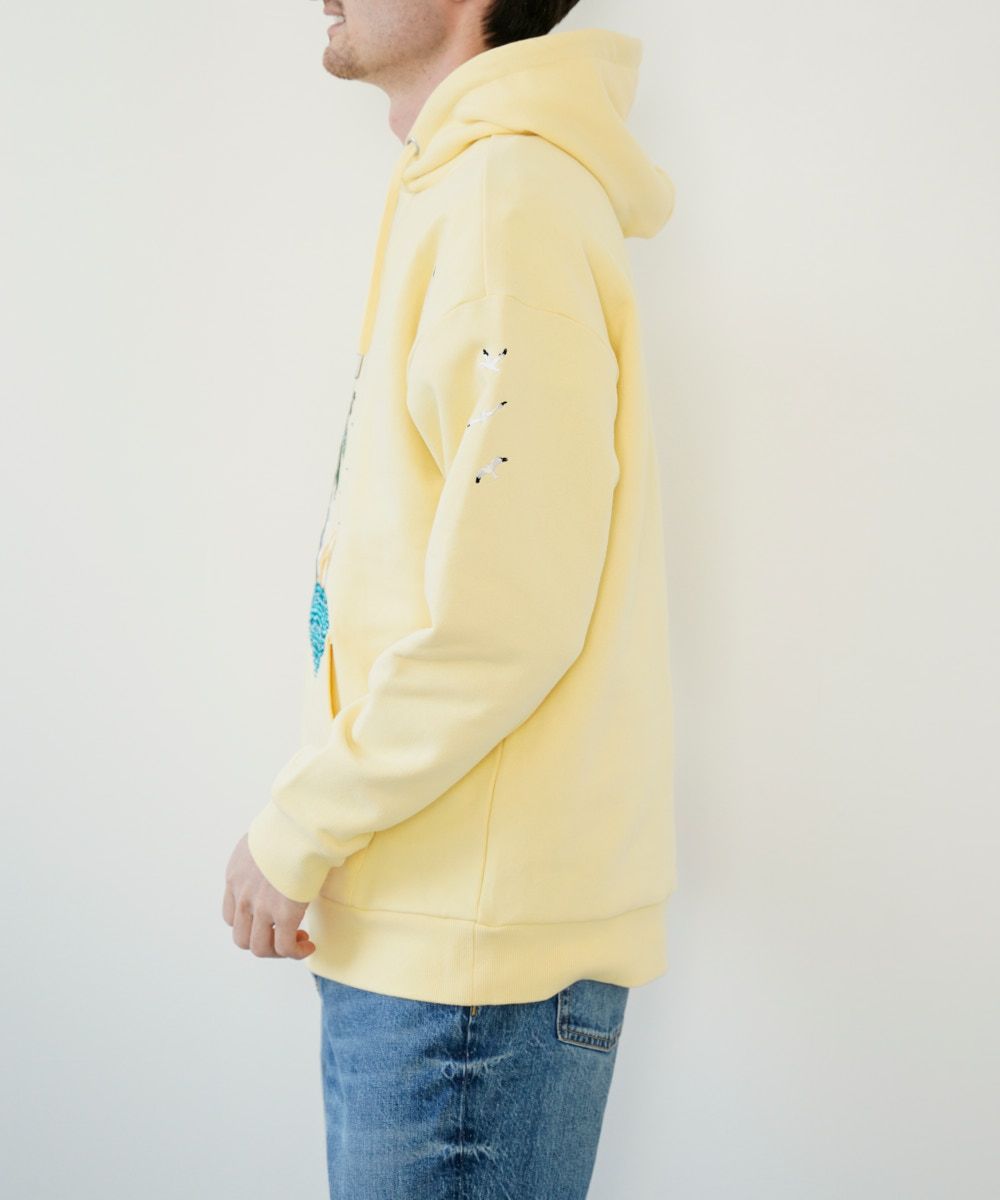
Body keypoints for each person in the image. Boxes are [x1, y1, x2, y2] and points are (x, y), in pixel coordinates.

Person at [222, 1, 678, 1194]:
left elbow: (507, 614)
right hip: (434, 943)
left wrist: (299, 825)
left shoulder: (504, 201)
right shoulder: (472, 187)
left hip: (466, 980)